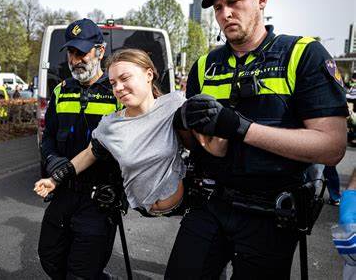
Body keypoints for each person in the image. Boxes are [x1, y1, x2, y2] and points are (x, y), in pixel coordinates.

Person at [168, 0, 349, 279]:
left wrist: (242, 129)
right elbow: (194, 145)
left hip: (270, 213)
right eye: (218, 7)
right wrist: (183, 125)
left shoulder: (302, 54)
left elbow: (331, 147)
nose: (225, 13)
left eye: (234, 2)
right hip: (210, 202)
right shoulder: (203, 67)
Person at [34, 49, 227, 217]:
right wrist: (54, 180)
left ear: (148, 74)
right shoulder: (109, 124)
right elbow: (87, 155)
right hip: (140, 208)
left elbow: (208, 148)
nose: (118, 88)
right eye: (112, 82)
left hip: (178, 206)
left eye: (125, 78)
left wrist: (225, 123)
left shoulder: (174, 105)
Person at [36, 18, 122, 280]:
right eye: (71, 53)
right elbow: (48, 135)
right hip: (63, 192)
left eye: (82, 52)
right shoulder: (61, 91)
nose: (75, 60)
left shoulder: (117, 92)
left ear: (100, 51)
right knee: (50, 258)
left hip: (98, 199)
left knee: (82, 272)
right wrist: (51, 161)